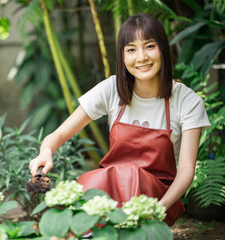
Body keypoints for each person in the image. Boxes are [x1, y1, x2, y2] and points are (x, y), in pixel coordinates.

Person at [29, 13, 210, 226]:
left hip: (158, 198)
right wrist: (45, 153)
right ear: (122, 57)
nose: (141, 57)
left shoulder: (187, 101)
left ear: (163, 49)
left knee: (130, 174)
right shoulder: (112, 89)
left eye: (149, 46)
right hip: (110, 188)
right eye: (131, 50)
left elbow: (187, 170)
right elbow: (59, 134)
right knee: (89, 184)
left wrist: (157, 209)